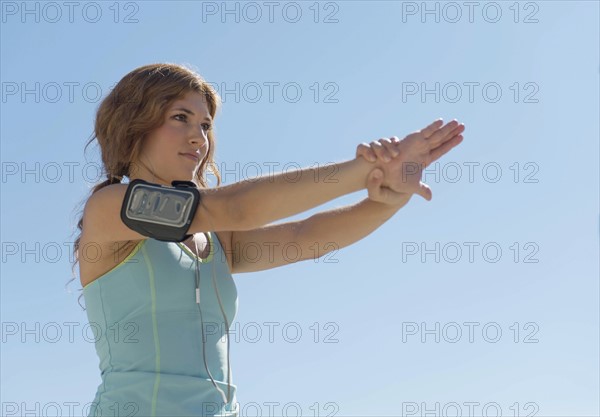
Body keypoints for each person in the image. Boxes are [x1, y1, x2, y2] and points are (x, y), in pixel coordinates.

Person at [68, 63, 464, 417]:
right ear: (134, 125)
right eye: (180, 117)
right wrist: (366, 169)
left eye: (205, 125)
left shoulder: (213, 238)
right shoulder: (109, 208)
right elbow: (236, 208)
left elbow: (304, 237)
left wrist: (386, 198)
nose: (198, 138)